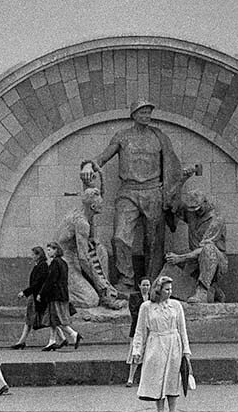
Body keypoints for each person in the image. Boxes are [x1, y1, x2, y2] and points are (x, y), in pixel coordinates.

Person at [81, 100, 187, 292]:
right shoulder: (123, 136)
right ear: (134, 114)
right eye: (142, 112)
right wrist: (90, 164)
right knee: (120, 237)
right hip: (128, 191)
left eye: (148, 112)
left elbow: (172, 165)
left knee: (154, 240)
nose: (146, 115)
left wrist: (170, 193)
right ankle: (126, 279)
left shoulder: (159, 136)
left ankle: (154, 282)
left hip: (154, 191)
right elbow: (103, 157)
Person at [56, 187, 126, 310]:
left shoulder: (80, 212)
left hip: (72, 257)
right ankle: (54, 294)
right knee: (91, 300)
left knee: (100, 250)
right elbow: (83, 259)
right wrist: (98, 281)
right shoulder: (82, 223)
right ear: (93, 207)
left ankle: (106, 292)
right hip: (63, 264)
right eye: (101, 204)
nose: (103, 206)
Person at [131, 275, 191, 412]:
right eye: (166, 289)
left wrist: (186, 350)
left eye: (170, 289)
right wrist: (137, 350)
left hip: (173, 344)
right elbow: (140, 330)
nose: (169, 292)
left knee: (172, 380)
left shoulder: (176, 305)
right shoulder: (146, 307)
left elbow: (183, 329)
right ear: (158, 290)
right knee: (158, 380)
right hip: (156, 344)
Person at [165, 189, 228, 303]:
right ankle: (214, 291)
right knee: (172, 268)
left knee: (208, 248)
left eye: (198, 209)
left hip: (215, 260)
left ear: (205, 202)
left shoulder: (217, 220)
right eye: (192, 209)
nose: (195, 212)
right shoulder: (190, 213)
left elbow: (204, 248)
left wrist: (180, 258)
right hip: (194, 259)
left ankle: (202, 291)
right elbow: (173, 213)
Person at [36, 241, 81, 351]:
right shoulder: (63, 263)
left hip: (55, 295)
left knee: (57, 318)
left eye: (50, 250)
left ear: (56, 250)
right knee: (53, 319)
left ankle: (74, 334)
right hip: (62, 294)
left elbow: (50, 280)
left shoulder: (55, 263)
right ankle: (52, 341)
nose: (48, 252)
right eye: (47, 250)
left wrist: (41, 293)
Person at [10, 246, 49, 349]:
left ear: (38, 255)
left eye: (33, 254)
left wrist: (25, 292)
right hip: (34, 296)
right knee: (30, 318)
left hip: (38, 296)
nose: (31, 256)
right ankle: (21, 341)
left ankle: (66, 336)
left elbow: (38, 283)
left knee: (49, 319)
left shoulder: (42, 266)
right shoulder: (39, 265)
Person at [125, 277, 152, 387]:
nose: (146, 287)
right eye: (144, 285)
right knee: (135, 352)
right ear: (139, 285)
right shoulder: (134, 297)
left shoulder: (153, 297)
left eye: (147, 285)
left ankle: (146, 378)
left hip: (151, 329)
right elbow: (134, 312)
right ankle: (130, 378)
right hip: (137, 328)